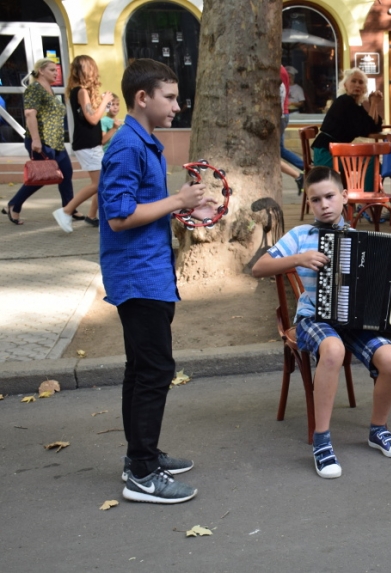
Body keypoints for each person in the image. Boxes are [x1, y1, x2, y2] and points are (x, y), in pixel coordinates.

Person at [251, 166, 391, 478]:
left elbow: (388, 290)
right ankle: (322, 440)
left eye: (330, 196)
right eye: (315, 200)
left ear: (344, 196)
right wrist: (297, 259)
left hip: (354, 321)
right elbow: (259, 267)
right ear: (309, 202)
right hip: (312, 318)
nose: (324, 204)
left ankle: (378, 429)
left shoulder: (363, 240)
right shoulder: (301, 236)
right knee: (332, 350)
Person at [101, 59, 217, 504]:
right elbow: (119, 216)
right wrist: (177, 199)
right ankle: (142, 477)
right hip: (138, 277)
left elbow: (147, 209)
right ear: (142, 98)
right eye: (169, 97)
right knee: (154, 372)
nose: (177, 104)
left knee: (141, 370)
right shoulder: (127, 146)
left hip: (151, 274)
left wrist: (188, 210)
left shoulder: (144, 141)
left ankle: (141, 457)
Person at [3, 58, 74, 225]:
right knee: (41, 178)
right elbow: (29, 113)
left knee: (67, 173)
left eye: (56, 70)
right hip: (41, 141)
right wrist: (36, 139)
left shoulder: (49, 89)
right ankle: (14, 204)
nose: (56, 73)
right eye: (52, 70)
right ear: (41, 71)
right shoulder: (34, 89)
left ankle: (69, 209)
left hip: (55, 142)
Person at [52, 55, 113, 232]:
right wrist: (105, 102)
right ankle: (66, 211)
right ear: (88, 70)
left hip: (89, 144)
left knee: (101, 182)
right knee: (98, 183)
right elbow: (93, 119)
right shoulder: (81, 91)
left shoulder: (77, 91)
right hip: (87, 144)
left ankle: (93, 215)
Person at [311, 67, 382, 172]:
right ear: (345, 85)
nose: (357, 85)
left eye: (361, 82)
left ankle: (361, 188)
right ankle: (367, 189)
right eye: (353, 81)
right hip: (326, 154)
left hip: (336, 151)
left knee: (373, 161)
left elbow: (374, 126)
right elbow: (366, 128)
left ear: (364, 88)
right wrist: (374, 104)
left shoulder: (355, 104)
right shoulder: (344, 102)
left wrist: (373, 104)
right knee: (371, 162)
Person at [279, 65, 304, 195]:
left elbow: (280, 93)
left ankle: (299, 175)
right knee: (280, 150)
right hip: (282, 113)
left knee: (271, 154)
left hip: (279, 114)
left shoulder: (278, 70)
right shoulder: (280, 69)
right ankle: (304, 169)